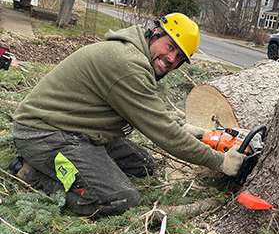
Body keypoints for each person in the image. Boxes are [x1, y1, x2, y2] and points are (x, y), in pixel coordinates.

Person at [9, 13, 245, 217]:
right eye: (170, 46)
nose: (172, 59)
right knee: (120, 199)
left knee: (143, 165)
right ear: (155, 34)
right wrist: (218, 161)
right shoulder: (127, 64)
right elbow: (161, 131)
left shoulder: (136, 55)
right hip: (44, 134)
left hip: (80, 129)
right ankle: (32, 174)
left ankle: (83, 164)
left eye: (180, 57)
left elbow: (150, 109)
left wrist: (185, 128)